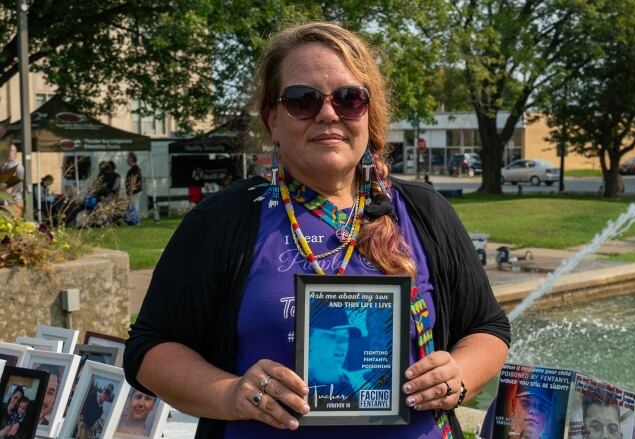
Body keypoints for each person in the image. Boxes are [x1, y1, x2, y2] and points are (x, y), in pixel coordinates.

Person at [125, 21, 510, 439]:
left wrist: (458, 375)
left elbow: (487, 328)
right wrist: (231, 393)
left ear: (369, 113)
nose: (328, 113)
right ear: (272, 120)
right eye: (302, 100)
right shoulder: (224, 219)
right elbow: (150, 348)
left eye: (349, 99)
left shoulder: (424, 211)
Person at [0, 144, 24, 218]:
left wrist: (5, 204)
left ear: (15, 153)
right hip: (18, 201)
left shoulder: (11, 165)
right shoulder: (20, 164)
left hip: (10, 203)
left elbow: (7, 188)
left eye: (11, 151)